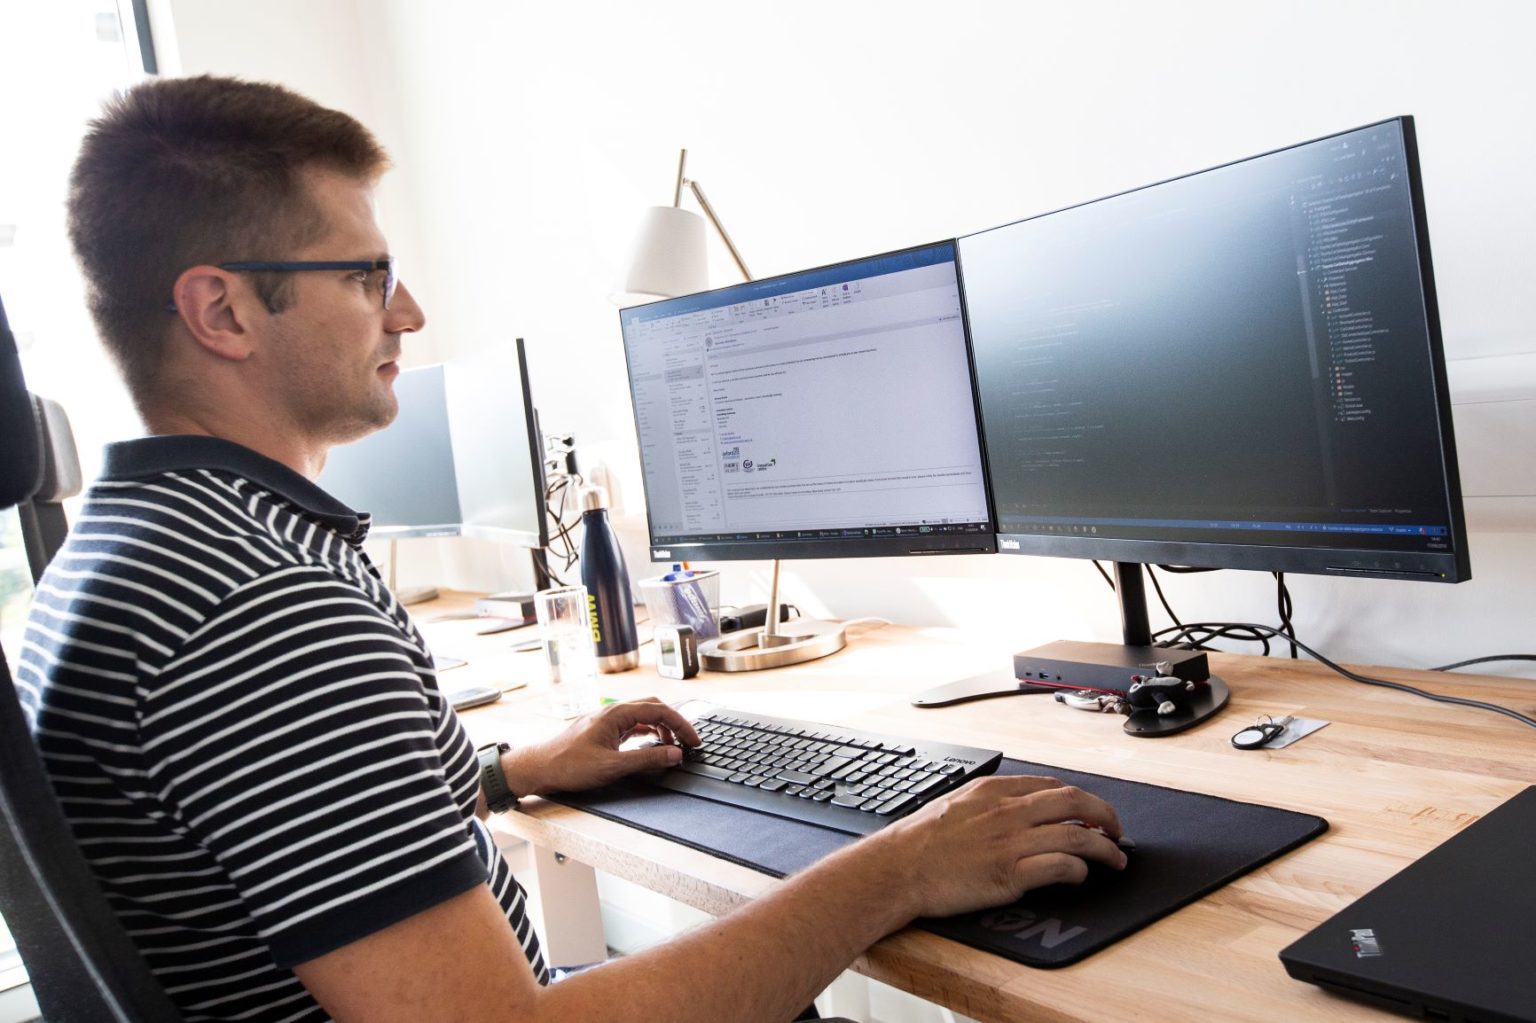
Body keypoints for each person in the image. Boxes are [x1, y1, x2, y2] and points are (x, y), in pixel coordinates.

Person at [16, 74, 1126, 1023]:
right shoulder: (265, 604)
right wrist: (899, 868)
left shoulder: (129, 551)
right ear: (222, 312)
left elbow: (261, 832)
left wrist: (510, 773)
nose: (407, 314)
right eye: (364, 276)